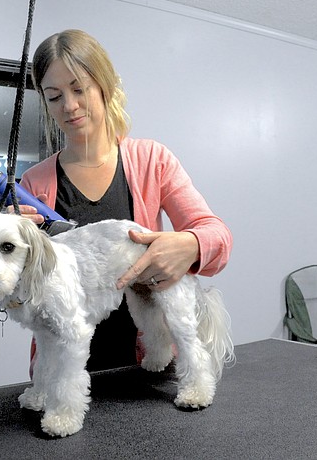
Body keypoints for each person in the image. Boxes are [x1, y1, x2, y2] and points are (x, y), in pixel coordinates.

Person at [18, 29, 233, 372]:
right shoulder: (33, 184)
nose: (69, 106)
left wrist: (190, 244)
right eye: (54, 96)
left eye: (79, 88)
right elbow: (27, 289)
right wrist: (12, 250)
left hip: (146, 366)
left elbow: (217, 236)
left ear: (104, 85)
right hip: (64, 368)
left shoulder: (153, 160)